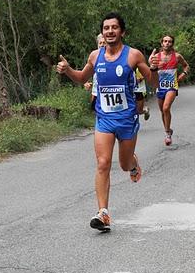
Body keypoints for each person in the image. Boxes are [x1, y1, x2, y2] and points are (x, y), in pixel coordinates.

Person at [57, 12, 158, 231]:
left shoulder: (133, 55)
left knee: (123, 164)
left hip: (127, 118)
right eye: (106, 28)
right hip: (104, 118)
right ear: (102, 32)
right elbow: (82, 78)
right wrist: (67, 71)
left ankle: (132, 162)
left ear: (122, 31)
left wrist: (155, 67)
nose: (110, 31)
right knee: (103, 163)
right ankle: (103, 213)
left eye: (114, 27)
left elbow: (152, 81)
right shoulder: (95, 56)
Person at [150, 35, 190, 146]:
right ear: (162, 43)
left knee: (166, 107)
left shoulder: (177, 56)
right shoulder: (156, 57)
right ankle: (168, 130)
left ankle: (167, 134)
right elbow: (151, 72)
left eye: (170, 41)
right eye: (165, 41)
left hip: (172, 85)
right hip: (160, 86)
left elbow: (186, 66)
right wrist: (155, 66)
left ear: (172, 44)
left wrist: (183, 74)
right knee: (163, 111)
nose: (167, 43)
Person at [84, 34, 106, 110]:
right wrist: (86, 82)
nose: (102, 45)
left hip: (110, 94)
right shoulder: (94, 57)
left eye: (104, 43)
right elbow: (86, 74)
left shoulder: (115, 57)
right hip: (96, 93)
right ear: (97, 45)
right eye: (100, 43)